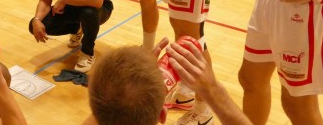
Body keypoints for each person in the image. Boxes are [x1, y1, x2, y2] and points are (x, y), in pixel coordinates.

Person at [82, 40, 252, 125]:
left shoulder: (98, 113)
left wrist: (140, 77)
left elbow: (101, 114)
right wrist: (214, 91)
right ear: (162, 116)